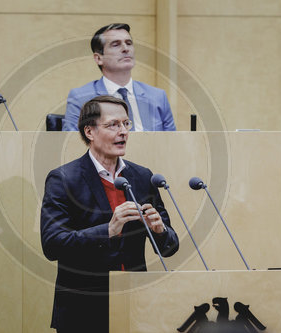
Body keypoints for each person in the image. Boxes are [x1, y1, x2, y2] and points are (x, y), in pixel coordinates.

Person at [41, 95, 179, 332]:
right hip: (83, 307)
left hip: (135, 304)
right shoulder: (64, 179)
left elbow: (169, 247)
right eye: (113, 125)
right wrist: (108, 230)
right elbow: (52, 245)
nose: (123, 131)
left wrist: (160, 231)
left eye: (126, 124)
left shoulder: (142, 177)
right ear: (90, 131)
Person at [63, 23, 176, 132]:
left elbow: (172, 145)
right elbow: (72, 145)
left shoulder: (158, 97)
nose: (125, 49)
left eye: (129, 43)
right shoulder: (80, 98)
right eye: (116, 44)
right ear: (98, 58)